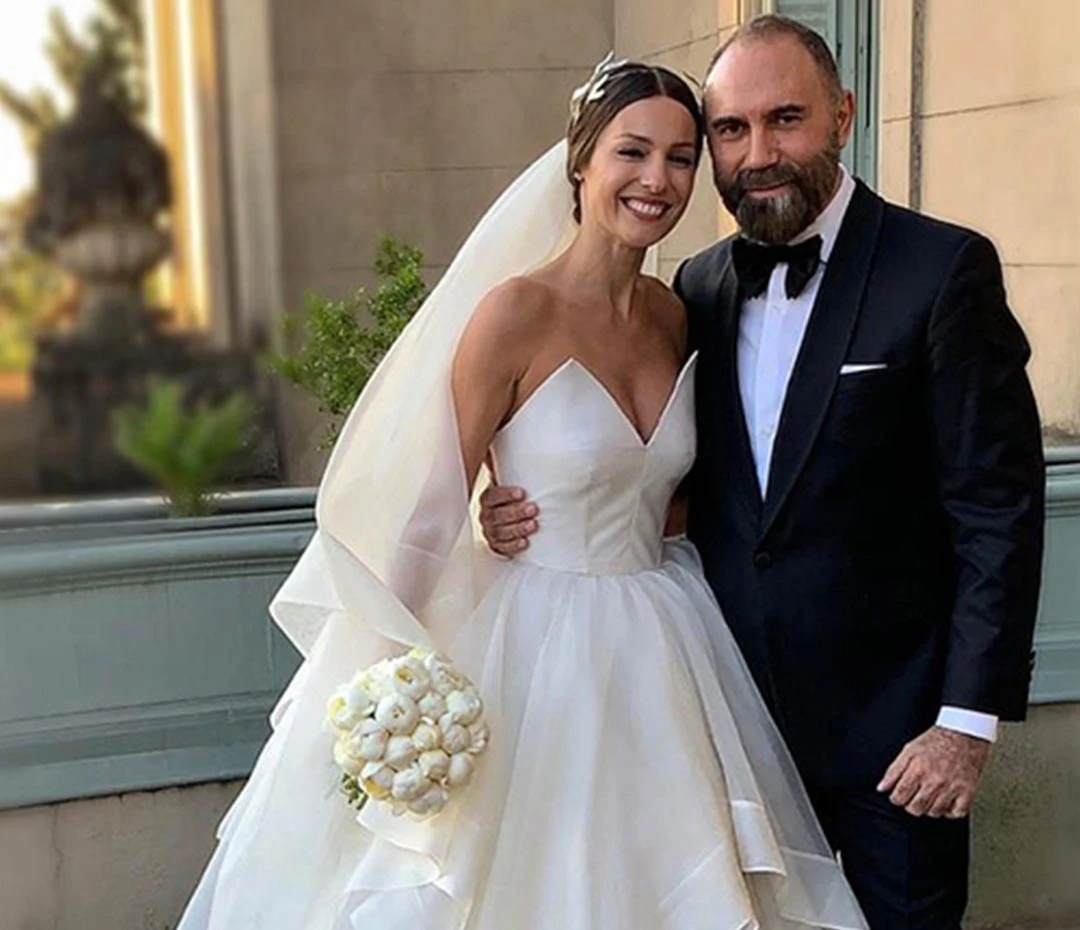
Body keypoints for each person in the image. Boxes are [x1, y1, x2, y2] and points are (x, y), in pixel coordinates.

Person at [177, 57, 867, 930]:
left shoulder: (674, 314)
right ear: (581, 161)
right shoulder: (513, 314)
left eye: (681, 157)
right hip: (532, 650)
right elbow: (431, 508)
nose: (657, 180)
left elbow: (674, 496)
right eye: (632, 152)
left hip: (661, 646)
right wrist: (390, 688)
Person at [480, 17, 1046, 930]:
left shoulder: (942, 270)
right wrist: (511, 507)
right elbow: (662, 482)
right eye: (731, 131)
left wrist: (965, 723)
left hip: (897, 742)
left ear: (844, 115)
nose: (759, 154)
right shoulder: (695, 291)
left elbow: (997, 510)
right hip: (723, 728)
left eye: (786, 119)